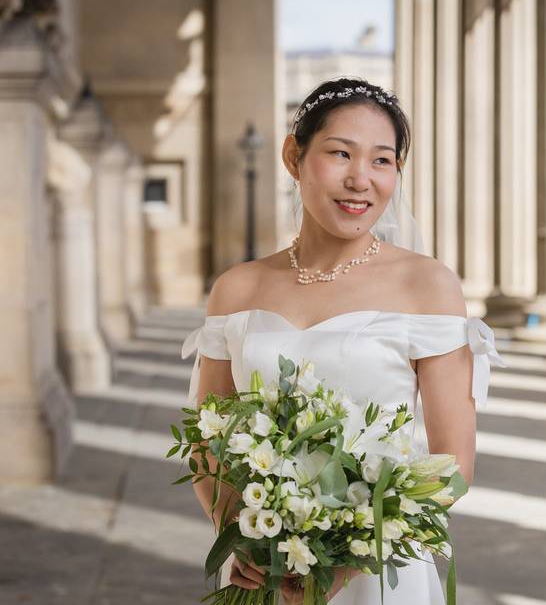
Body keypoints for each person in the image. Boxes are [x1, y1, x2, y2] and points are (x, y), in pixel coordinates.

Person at [180, 77, 504, 604]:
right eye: (340, 154)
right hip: (260, 570)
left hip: (376, 575)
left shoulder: (427, 286)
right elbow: (206, 444)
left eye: (382, 161)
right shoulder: (238, 288)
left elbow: (452, 466)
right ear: (294, 157)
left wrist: (339, 566)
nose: (361, 180)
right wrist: (241, 535)